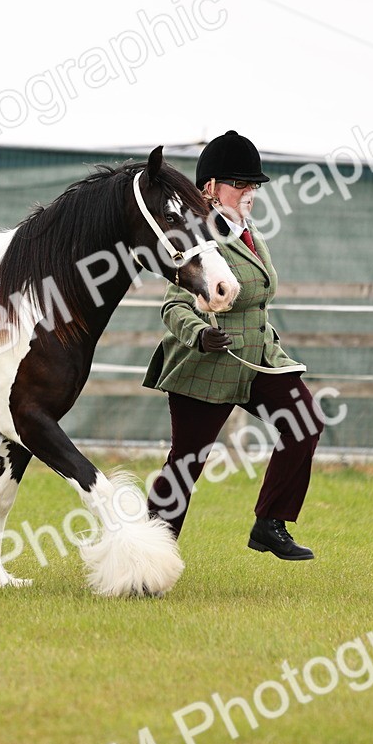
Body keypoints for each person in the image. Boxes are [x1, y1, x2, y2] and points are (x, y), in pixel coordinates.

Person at [141, 130, 323, 560]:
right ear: (210, 188)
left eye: (253, 185)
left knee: (305, 422)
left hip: (258, 359)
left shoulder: (248, 233)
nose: (250, 192)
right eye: (239, 184)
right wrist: (200, 334)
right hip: (208, 360)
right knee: (186, 464)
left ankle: (269, 524)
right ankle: (146, 554)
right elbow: (173, 306)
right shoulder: (197, 236)